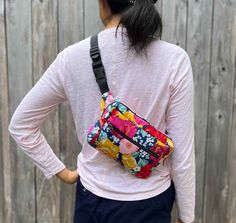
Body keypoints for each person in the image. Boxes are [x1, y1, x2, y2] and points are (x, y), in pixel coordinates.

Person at [8, 0, 195, 222]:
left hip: (92, 201)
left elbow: (21, 125)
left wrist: (64, 173)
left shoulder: (72, 58)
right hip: (150, 202)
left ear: (103, 3)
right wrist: (186, 216)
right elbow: (182, 155)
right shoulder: (175, 59)